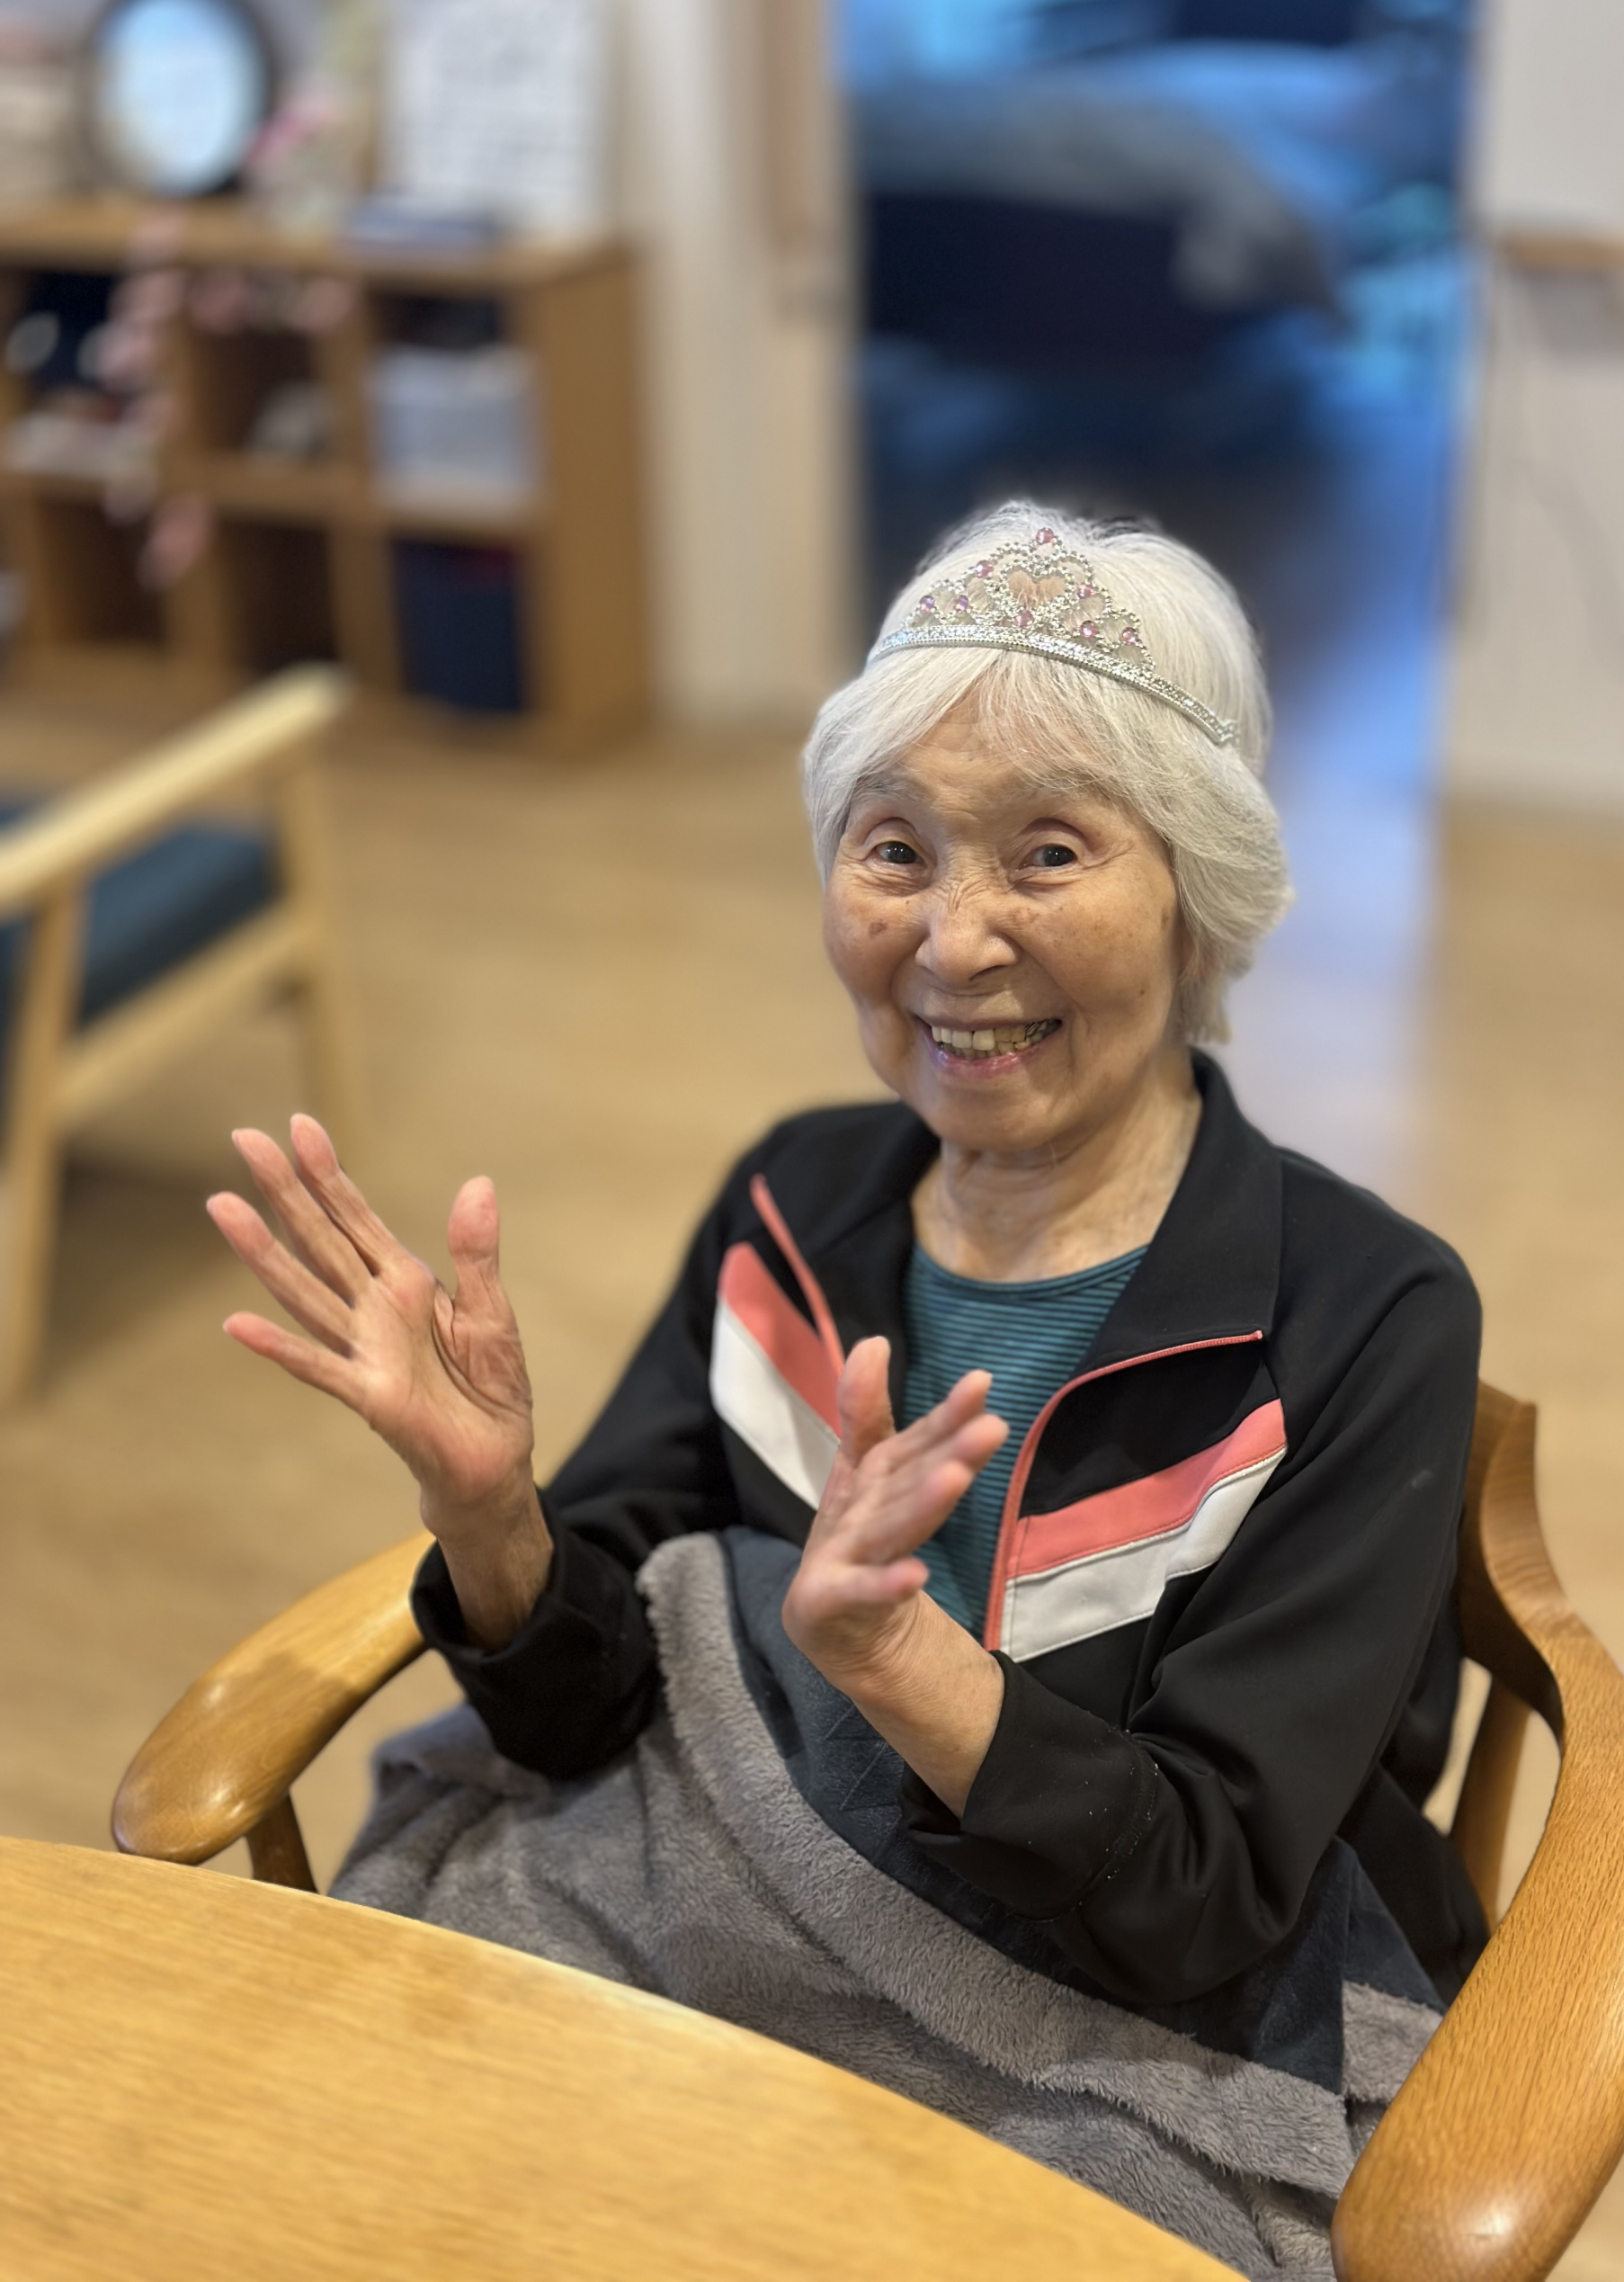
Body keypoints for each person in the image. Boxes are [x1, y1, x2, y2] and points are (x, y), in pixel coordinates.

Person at [210, 503, 1486, 2019]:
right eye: (895, 850)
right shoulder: (794, 1208)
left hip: (1123, 2028)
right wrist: (492, 1523)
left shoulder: (1365, 1320)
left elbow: (1208, 1901)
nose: (952, 943)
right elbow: (580, 1719)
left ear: (1197, 907)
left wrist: (895, 1664)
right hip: (736, 1935)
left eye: (1049, 853)